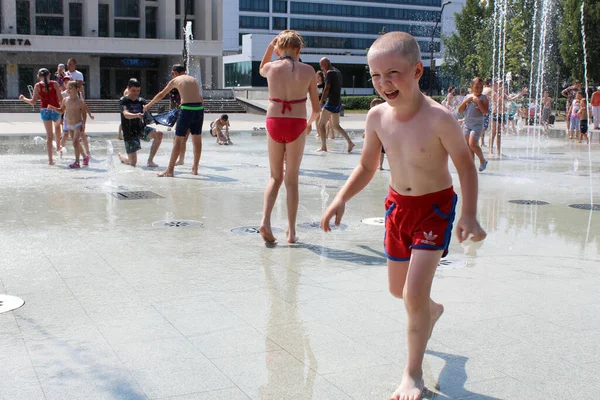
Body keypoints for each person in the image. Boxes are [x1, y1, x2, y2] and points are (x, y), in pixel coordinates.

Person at [320, 32, 486, 400]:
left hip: (435, 210)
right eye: (375, 76)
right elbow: (366, 166)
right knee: (400, 291)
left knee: (411, 291)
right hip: (398, 209)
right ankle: (432, 310)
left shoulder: (440, 118)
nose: (383, 83)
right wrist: (340, 198)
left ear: (417, 71)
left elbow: (466, 167)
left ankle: (412, 375)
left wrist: (469, 215)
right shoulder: (378, 117)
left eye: (392, 73)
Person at [258, 30, 319, 243]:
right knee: (292, 179)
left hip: (274, 120)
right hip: (297, 122)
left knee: (275, 177)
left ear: (277, 49)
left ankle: (265, 221)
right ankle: (291, 232)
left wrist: (269, 48)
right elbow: (316, 109)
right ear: (299, 49)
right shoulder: (309, 70)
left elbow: (260, 68)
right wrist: (308, 126)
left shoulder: (270, 67)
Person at [144, 65, 204, 177]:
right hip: (199, 110)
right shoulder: (193, 79)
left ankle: (170, 170)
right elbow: (200, 100)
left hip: (186, 110)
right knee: (197, 139)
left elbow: (161, 94)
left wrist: (148, 105)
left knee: (178, 140)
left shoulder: (175, 80)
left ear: (174, 73)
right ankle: (195, 169)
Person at [19, 68, 63, 164]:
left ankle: (50, 160)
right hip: (55, 109)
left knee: (49, 136)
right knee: (58, 129)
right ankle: (58, 148)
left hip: (44, 110)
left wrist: (23, 98)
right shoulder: (55, 84)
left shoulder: (37, 86)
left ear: (38, 77)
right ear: (49, 75)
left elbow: (33, 101)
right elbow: (60, 99)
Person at [116, 79, 163, 167]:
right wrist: (136, 115)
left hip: (140, 129)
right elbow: (125, 114)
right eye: (133, 90)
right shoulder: (123, 100)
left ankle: (150, 160)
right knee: (132, 162)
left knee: (159, 133)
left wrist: (146, 111)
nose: (136, 93)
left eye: (138, 90)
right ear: (128, 89)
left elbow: (147, 117)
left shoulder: (141, 101)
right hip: (129, 132)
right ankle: (121, 157)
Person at [48, 81, 89, 168]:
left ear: (77, 89)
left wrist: (84, 124)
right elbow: (61, 110)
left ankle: (77, 162)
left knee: (75, 142)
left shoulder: (79, 101)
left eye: (70, 88)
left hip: (78, 124)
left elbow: (84, 113)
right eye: (67, 88)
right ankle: (85, 157)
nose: (68, 90)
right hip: (69, 125)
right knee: (76, 143)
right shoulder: (65, 100)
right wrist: (53, 108)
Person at [317, 58, 354, 152]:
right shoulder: (337, 71)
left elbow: (327, 88)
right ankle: (350, 142)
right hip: (338, 102)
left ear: (325, 64)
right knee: (336, 126)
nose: (321, 68)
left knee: (321, 124)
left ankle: (323, 147)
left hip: (331, 102)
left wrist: (321, 101)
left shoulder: (330, 72)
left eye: (321, 66)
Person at [458, 77, 489, 172]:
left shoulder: (483, 98)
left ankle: (483, 160)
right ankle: (471, 166)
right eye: (476, 87)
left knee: (472, 144)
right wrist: (466, 101)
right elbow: (460, 110)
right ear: (471, 87)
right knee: (468, 146)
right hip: (467, 124)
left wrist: (478, 101)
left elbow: (485, 111)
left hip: (477, 124)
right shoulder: (468, 97)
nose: (479, 89)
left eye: (481, 87)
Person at [489, 82, 527, 157]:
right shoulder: (494, 93)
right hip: (495, 114)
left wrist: (520, 94)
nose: (502, 87)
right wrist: (501, 94)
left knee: (499, 133)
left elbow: (510, 99)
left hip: (501, 114)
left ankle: (498, 151)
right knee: (493, 132)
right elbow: (498, 101)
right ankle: (490, 150)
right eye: (500, 85)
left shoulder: (503, 94)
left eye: (502, 86)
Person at [363, 97, 387, 170]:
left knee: (382, 151)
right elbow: (368, 125)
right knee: (376, 151)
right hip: (376, 135)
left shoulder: (385, 113)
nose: (377, 107)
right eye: (375, 105)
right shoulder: (372, 115)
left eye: (379, 105)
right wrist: (365, 132)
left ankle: (380, 165)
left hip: (383, 135)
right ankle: (373, 164)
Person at [481, 78, 493, 147]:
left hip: (481, 107)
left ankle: (481, 141)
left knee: (482, 124)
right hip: (487, 108)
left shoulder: (483, 89)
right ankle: (482, 142)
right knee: (485, 125)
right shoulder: (490, 90)